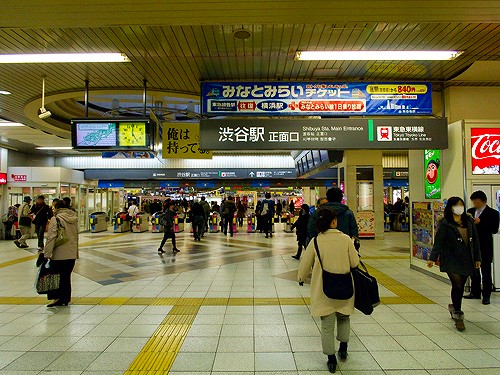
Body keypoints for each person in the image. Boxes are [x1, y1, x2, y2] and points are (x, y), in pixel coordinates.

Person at [298, 209, 359, 373]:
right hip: (345, 286)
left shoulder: (316, 241)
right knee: (344, 318)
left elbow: (305, 263)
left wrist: (301, 278)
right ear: (334, 222)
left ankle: (331, 359)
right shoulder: (346, 240)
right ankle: (343, 348)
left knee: (327, 326)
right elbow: (355, 262)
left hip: (324, 289)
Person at [428, 197, 481, 331]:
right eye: (457, 205)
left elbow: (475, 241)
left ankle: (454, 306)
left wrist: (477, 259)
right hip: (451, 259)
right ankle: (458, 313)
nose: (459, 208)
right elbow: (439, 242)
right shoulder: (445, 224)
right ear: (451, 208)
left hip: (466, 258)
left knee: (460, 285)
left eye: (461, 205)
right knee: (457, 284)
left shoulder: (469, 222)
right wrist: (432, 258)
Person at [465, 190, 499, 305]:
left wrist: (481, 222)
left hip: (485, 246)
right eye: (473, 202)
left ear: (483, 201)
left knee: (486, 271)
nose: (475, 204)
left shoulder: (493, 213)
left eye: (477, 202)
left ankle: (486, 295)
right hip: (472, 245)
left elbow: (494, 229)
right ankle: (475, 292)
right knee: (474, 271)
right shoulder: (470, 212)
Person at [43, 199, 79, 307]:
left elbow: (51, 237)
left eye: (54, 207)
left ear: (57, 208)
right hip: (71, 254)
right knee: (66, 277)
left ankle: (58, 298)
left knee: (57, 277)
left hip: (59, 254)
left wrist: (47, 254)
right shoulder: (74, 218)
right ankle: (66, 298)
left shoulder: (56, 219)